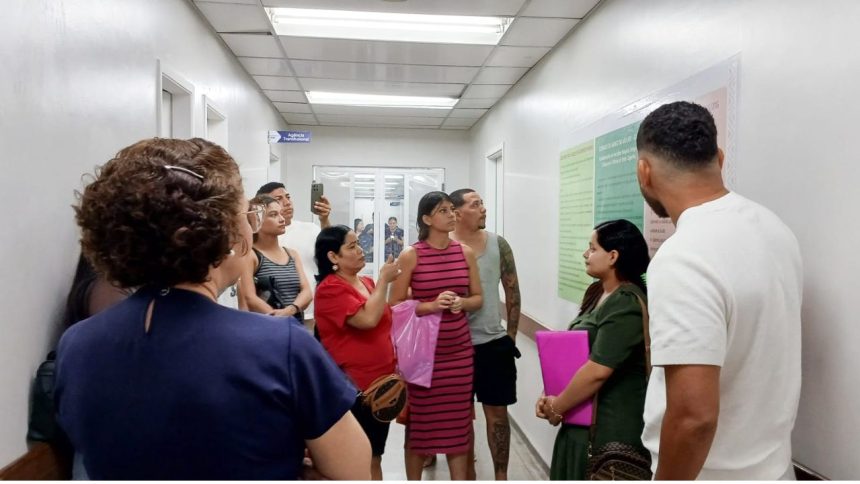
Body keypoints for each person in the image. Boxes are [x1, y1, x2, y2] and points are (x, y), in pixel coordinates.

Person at [55, 138, 370, 479]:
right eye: (245, 213)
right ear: (223, 230)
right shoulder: (280, 346)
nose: (250, 224)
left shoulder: (77, 345)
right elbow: (352, 472)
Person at [636, 101, 803, 479]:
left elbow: (694, 418)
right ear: (720, 159)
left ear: (644, 172)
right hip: (774, 470)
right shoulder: (774, 228)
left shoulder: (682, 257)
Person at [535, 219, 650, 480]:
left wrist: (557, 407)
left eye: (592, 248)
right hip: (578, 420)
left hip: (609, 432)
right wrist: (549, 395)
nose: (586, 254)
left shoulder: (625, 303)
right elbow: (574, 353)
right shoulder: (597, 292)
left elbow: (598, 369)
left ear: (613, 256)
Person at [389, 191, 483, 481]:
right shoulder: (412, 254)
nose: (451, 215)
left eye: (452, 209)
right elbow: (395, 305)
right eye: (443, 210)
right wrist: (430, 305)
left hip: (458, 353)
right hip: (423, 357)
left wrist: (462, 303)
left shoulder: (464, 252)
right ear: (427, 219)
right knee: (420, 427)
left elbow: (478, 297)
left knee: (458, 426)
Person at [313, 225, 401, 480]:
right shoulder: (330, 289)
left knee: (375, 455)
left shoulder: (366, 282)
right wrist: (385, 280)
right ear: (333, 257)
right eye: (351, 246)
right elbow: (368, 320)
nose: (360, 250)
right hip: (353, 390)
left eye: (358, 243)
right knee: (358, 460)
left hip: (381, 387)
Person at [450, 189, 521, 481]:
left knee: (497, 416)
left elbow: (513, 291)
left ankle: (501, 476)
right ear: (456, 213)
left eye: (482, 204)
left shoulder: (497, 244)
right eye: (475, 204)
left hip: (493, 344)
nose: (483, 209)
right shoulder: (444, 246)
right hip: (454, 346)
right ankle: (467, 474)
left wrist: (511, 337)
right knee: (460, 419)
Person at [256, 182, 332, 329]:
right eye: (278, 199)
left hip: (312, 312)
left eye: (288, 197)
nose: (287, 202)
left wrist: (324, 220)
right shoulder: (265, 237)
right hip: (272, 315)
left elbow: (332, 248)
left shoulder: (310, 229)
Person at [238, 195, 312, 322]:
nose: (282, 219)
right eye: (273, 215)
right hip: (268, 327)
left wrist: (291, 310)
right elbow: (249, 297)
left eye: (281, 214)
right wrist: (277, 317)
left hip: (295, 325)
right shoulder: (251, 255)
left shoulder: (292, 254)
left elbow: (307, 291)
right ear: (256, 220)